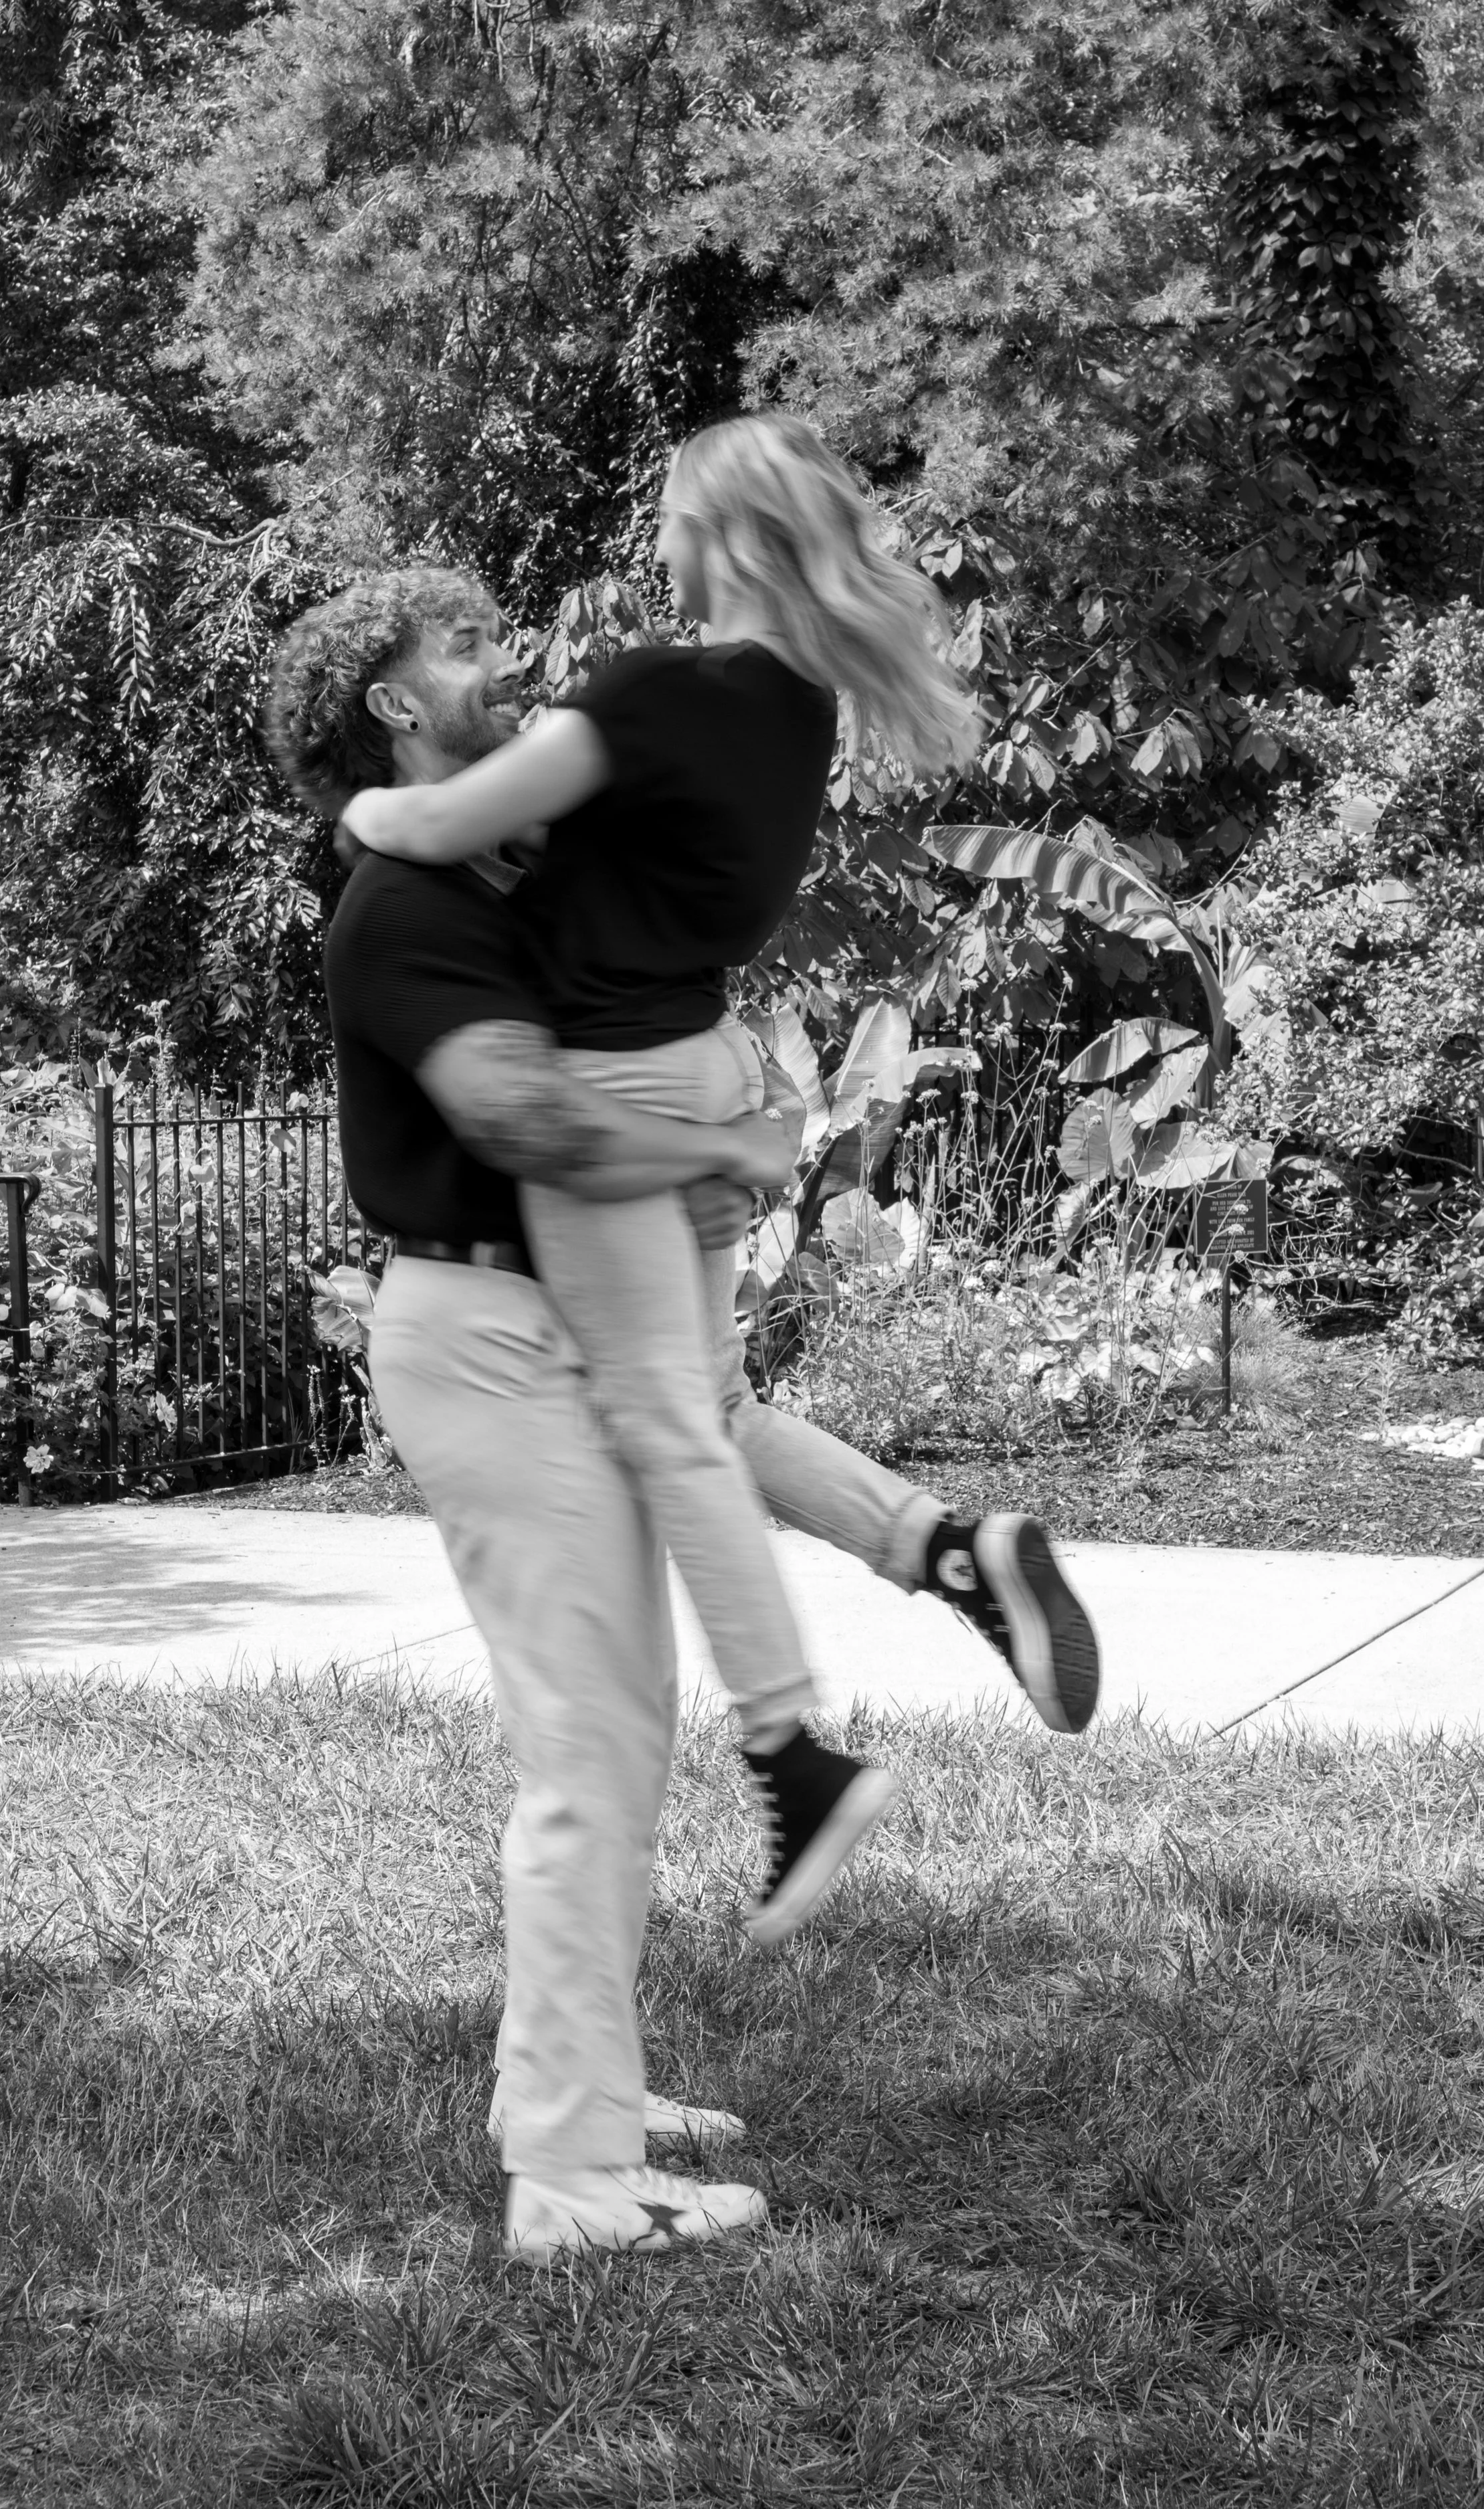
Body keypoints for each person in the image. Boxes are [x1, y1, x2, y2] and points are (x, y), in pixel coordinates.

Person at [263, 565, 1097, 2259]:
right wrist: (729, 1149)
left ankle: (568, 2091)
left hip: (574, 1315)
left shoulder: (512, 866)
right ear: (393, 708)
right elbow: (529, 1122)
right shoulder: (399, 909)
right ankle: (568, 2184)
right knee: (592, 1751)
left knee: (622, 1720)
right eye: (460, 648)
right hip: (490, 1339)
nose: (504, 659)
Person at [337, 417, 1097, 1934]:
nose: (660, 545)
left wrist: (355, 814)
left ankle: (792, 1753)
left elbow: (431, 818)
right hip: (705, 1046)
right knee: (712, 1404)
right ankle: (950, 1550)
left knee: (668, 1427)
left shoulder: (652, 691)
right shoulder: (796, 704)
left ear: (723, 536)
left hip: (625, 1075)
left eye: (675, 520)